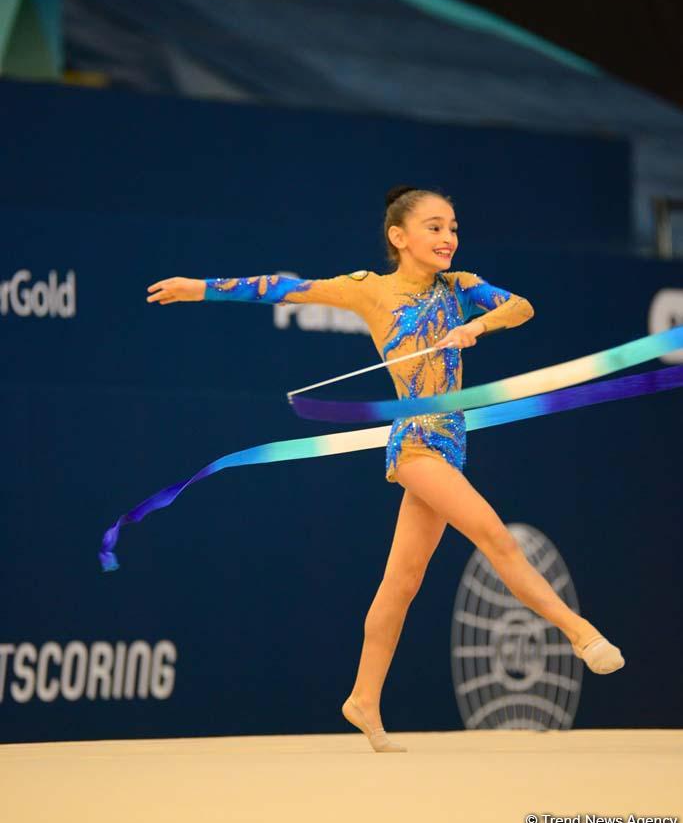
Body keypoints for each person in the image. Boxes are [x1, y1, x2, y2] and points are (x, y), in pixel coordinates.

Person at [146, 184, 624, 752]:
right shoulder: (370, 292)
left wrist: (477, 326)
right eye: (434, 227)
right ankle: (580, 634)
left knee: (402, 582)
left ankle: (363, 699)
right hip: (417, 441)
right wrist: (199, 289)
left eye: (452, 227)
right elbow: (282, 288)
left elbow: (521, 306)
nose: (448, 238)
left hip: (452, 442)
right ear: (399, 237)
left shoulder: (463, 288)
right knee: (495, 537)